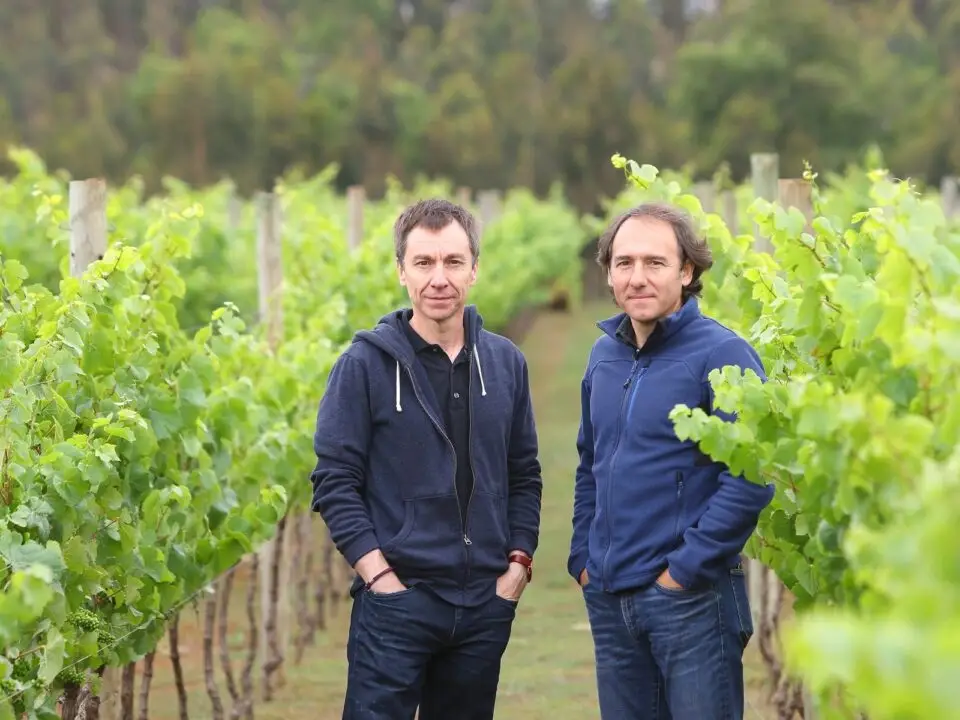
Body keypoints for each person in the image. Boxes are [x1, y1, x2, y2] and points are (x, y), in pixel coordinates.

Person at [310, 198, 543, 720]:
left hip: (483, 606)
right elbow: (334, 481)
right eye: (424, 262)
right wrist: (379, 578)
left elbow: (524, 474)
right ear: (402, 271)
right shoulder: (363, 366)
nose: (439, 278)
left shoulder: (505, 362)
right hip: (397, 602)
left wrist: (517, 567)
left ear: (474, 269)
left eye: (453, 262)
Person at [568, 201, 775, 719]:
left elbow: (751, 477)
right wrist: (584, 559)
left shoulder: (724, 356)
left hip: (692, 602)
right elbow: (591, 462)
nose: (637, 277)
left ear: (686, 271)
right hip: (610, 597)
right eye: (624, 262)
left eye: (654, 263)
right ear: (609, 273)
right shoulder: (604, 356)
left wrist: (683, 572)